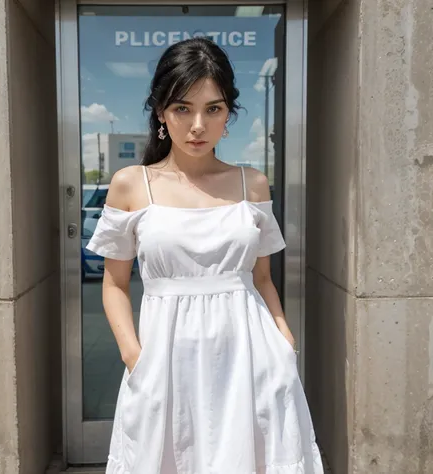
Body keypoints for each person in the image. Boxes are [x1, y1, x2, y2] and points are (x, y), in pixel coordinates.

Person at [86, 37, 323, 474]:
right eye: (182, 108)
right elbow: (115, 284)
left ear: (228, 114)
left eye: (213, 109)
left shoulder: (252, 184)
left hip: (252, 360)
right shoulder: (130, 184)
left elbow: (262, 279)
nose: (198, 124)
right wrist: (134, 358)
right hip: (164, 363)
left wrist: (284, 343)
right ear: (160, 112)